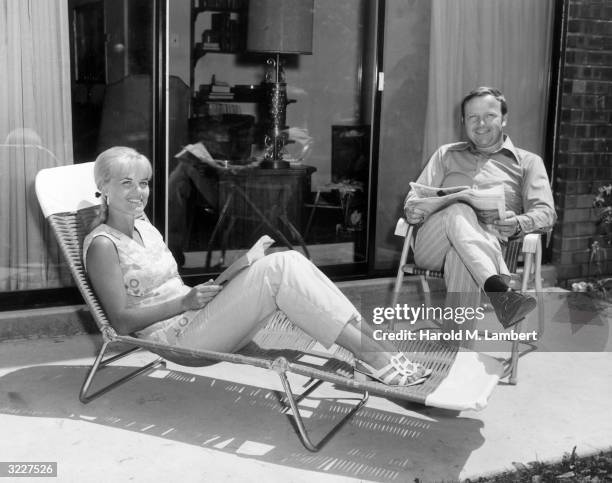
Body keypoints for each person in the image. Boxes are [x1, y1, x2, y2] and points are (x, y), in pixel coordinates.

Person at [84, 146, 431, 386]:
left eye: (143, 182)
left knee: (289, 258)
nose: (138, 192)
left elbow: (171, 287)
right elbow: (120, 322)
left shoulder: (145, 226)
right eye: (126, 183)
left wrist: (220, 282)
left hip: (197, 319)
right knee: (279, 270)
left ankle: (385, 352)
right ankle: (378, 359)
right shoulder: (103, 245)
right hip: (177, 340)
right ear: (104, 187)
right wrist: (185, 303)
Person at [404, 87, 556, 329]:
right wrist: (413, 209)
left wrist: (518, 223)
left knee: (461, 258)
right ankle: (501, 294)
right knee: (459, 208)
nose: (481, 123)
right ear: (464, 121)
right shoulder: (446, 154)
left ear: (504, 118)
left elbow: (546, 213)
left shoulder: (528, 162)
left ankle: (457, 352)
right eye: (473, 117)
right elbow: (416, 195)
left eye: (490, 115)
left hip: (492, 246)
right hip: (433, 246)